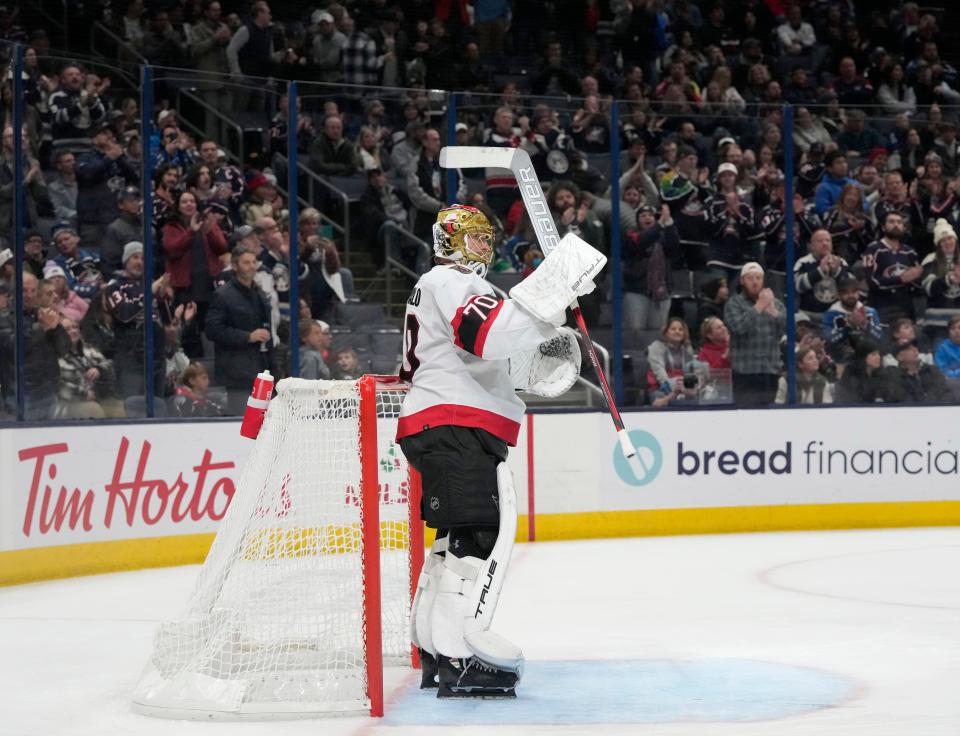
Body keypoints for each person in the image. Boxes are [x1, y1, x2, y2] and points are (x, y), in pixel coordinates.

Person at [397, 204, 594, 698]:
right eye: (477, 239)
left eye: (487, 238)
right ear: (451, 242)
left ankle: (435, 651)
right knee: (476, 539)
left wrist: (551, 316)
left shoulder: (435, 287)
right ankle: (460, 661)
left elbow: (490, 349)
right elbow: (491, 335)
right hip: (455, 423)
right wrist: (555, 290)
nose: (486, 247)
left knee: (454, 540)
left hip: (441, 422)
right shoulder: (454, 282)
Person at [205, 244, 276, 415]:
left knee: (266, 423)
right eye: (246, 263)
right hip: (237, 373)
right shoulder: (223, 295)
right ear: (235, 266)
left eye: (253, 262)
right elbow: (212, 329)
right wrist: (247, 337)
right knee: (242, 422)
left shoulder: (259, 293)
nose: (252, 266)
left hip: (262, 367)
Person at [724, 261, 787, 406]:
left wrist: (775, 314)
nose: (755, 282)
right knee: (746, 414)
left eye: (758, 278)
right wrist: (759, 306)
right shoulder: (734, 303)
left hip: (770, 369)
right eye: (750, 278)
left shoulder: (776, 303)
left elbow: (789, 329)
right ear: (742, 281)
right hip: (745, 371)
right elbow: (738, 327)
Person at [623, 204, 678, 340]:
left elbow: (674, 248)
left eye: (650, 215)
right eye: (643, 215)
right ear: (637, 220)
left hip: (661, 292)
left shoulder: (663, 237)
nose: (647, 218)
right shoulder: (631, 235)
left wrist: (669, 222)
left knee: (658, 334)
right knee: (636, 333)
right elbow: (641, 242)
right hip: (637, 291)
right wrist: (659, 224)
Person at [56, 316, 123, 418]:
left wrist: (99, 369)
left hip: (98, 396)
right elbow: (59, 386)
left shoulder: (89, 349)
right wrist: (84, 394)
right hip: (69, 403)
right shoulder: (56, 355)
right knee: (93, 410)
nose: (73, 331)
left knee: (118, 408)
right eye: (68, 329)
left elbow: (109, 364)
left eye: (75, 327)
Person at [862, 211, 922, 322]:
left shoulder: (910, 252)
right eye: (891, 222)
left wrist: (916, 278)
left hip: (906, 308)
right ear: (883, 227)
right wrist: (900, 279)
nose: (896, 225)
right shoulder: (874, 249)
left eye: (899, 222)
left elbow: (917, 282)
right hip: (882, 307)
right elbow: (872, 282)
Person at [823, 274, 885, 364]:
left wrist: (865, 325)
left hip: (869, 359)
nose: (850, 295)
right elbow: (828, 341)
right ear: (839, 295)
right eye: (846, 293)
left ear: (858, 293)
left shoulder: (870, 312)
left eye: (854, 292)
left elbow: (881, 339)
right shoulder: (830, 314)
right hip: (842, 361)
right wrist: (848, 326)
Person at [794, 229, 851, 318]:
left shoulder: (841, 262)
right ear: (812, 246)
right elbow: (797, 286)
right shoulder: (803, 262)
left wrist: (837, 272)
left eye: (828, 240)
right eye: (819, 241)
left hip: (835, 314)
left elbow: (851, 287)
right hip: (809, 314)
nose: (825, 243)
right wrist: (819, 271)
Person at [646, 317, 696, 402]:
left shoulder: (688, 349)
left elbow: (691, 373)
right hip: (661, 388)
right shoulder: (656, 347)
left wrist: (687, 388)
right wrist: (676, 387)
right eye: (673, 329)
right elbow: (660, 374)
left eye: (680, 329)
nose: (677, 331)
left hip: (684, 387)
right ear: (666, 332)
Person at [834, 338, 899, 403]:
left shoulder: (882, 375)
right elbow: (848, 397)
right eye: (873, 354)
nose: (878, 357)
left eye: (878, 354)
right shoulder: (851, 373)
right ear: (863, 357)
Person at [890, 338, 953, 403]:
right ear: (900, 357)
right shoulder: (895, 378)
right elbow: (903, 400)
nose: (915, 350)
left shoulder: (931, 370)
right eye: (909, 349)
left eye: (915, 347)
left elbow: (945, 391)